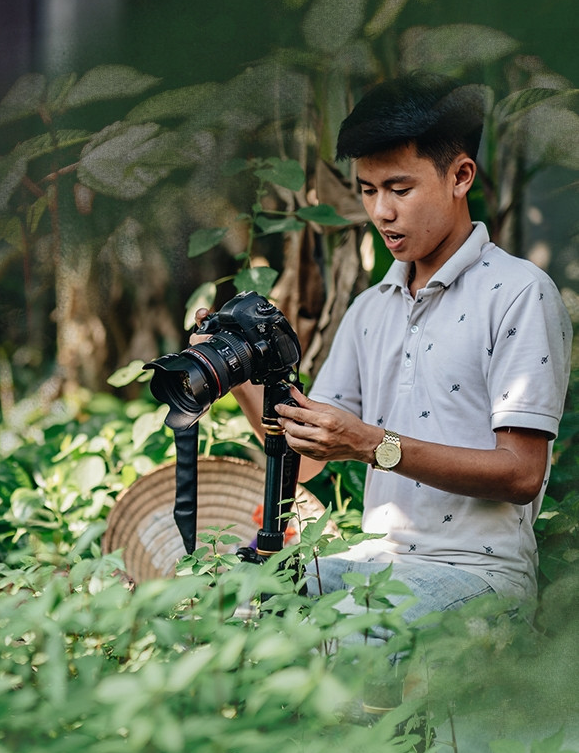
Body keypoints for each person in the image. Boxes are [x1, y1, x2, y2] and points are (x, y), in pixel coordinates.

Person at [204, 72, 569, 620]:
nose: (381, 213)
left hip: (479, 574)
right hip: (376, 561)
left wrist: (375, 445)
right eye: (368, 191)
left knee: (349, 636)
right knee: (227, 606)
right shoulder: (371, 307)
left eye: (400, 189)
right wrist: (234, 371)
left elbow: (521, 474)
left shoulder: (519, 292)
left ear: (460, 176)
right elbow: (304, 463)